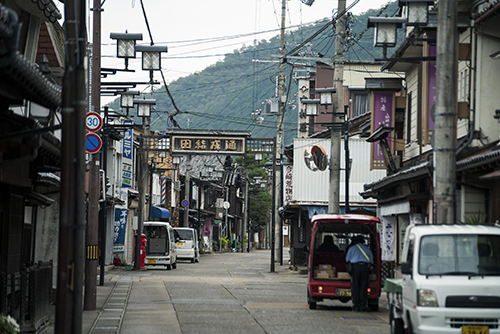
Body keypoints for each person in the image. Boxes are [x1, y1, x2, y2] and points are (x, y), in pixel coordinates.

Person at [345, 235, 373, 312]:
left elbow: (347, 259)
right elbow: (371, 261)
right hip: (364, 268)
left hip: (355, 268)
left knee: (355, 286)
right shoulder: (367, 249)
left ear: (356, 241)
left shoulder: (351, 249)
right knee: (363, 287)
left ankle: (356, 306)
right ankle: (363, 306)